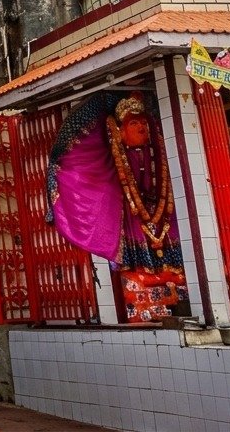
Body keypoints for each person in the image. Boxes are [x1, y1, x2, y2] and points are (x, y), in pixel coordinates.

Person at [47, 93, 186, 321]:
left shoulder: (158, 155)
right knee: (138, 275)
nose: (141, 128)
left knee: (175, 273)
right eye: (134, 123)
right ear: (120, 132)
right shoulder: (116, 159)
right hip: (133, 222)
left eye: (143, 123)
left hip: (164, 222)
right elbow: (80, 168)